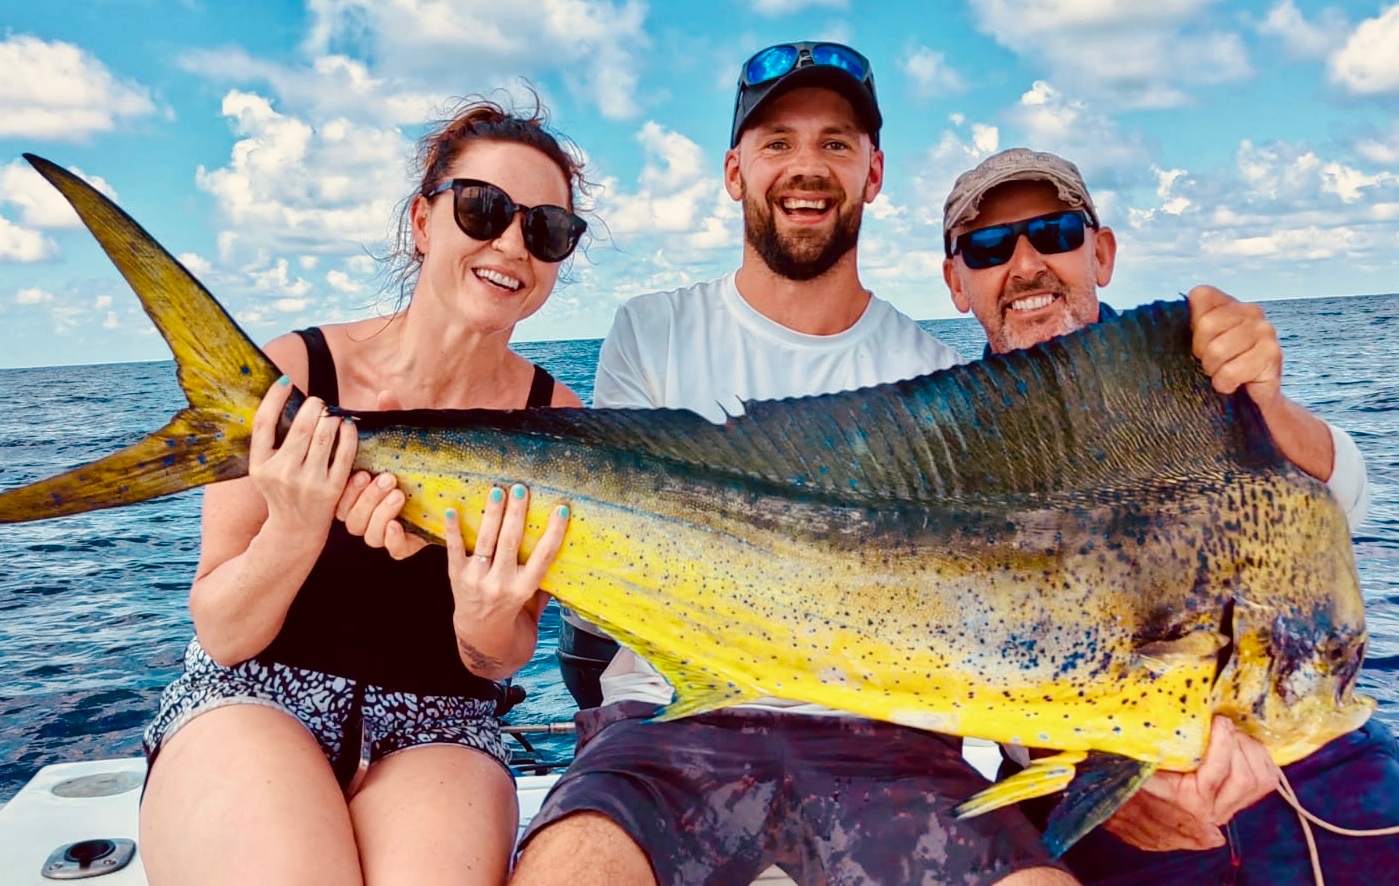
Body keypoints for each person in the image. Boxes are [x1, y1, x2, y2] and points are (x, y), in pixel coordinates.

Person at [516, 42, 1077, 886]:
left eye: (835, 144)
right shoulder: (650, 329)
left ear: (873, 172)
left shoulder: (938, 379)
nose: (805, 167)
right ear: (734, 169)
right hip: (670, 722)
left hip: (885, 747)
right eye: (777, 143)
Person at [138, 95, 587, 886]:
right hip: (254, 697)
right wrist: (294, 528)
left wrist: (483, 618)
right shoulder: (296, 373)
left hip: (441, 725)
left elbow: (498, 656)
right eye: (483, 210)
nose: (512, 243)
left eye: (547, 229)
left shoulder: (560, 422)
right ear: (423, 223)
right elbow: (224, 633)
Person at [941, 146, 1398, 884]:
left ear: (1102, 253)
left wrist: (1266, 404)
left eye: (1053, 234)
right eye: (988, 247)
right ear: (956, 283)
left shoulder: (1184, 363)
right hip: (1093, 780)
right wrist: (1099, 776)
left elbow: (1344, 492)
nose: (1025, 265)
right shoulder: (946, 447)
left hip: (1310, 759)